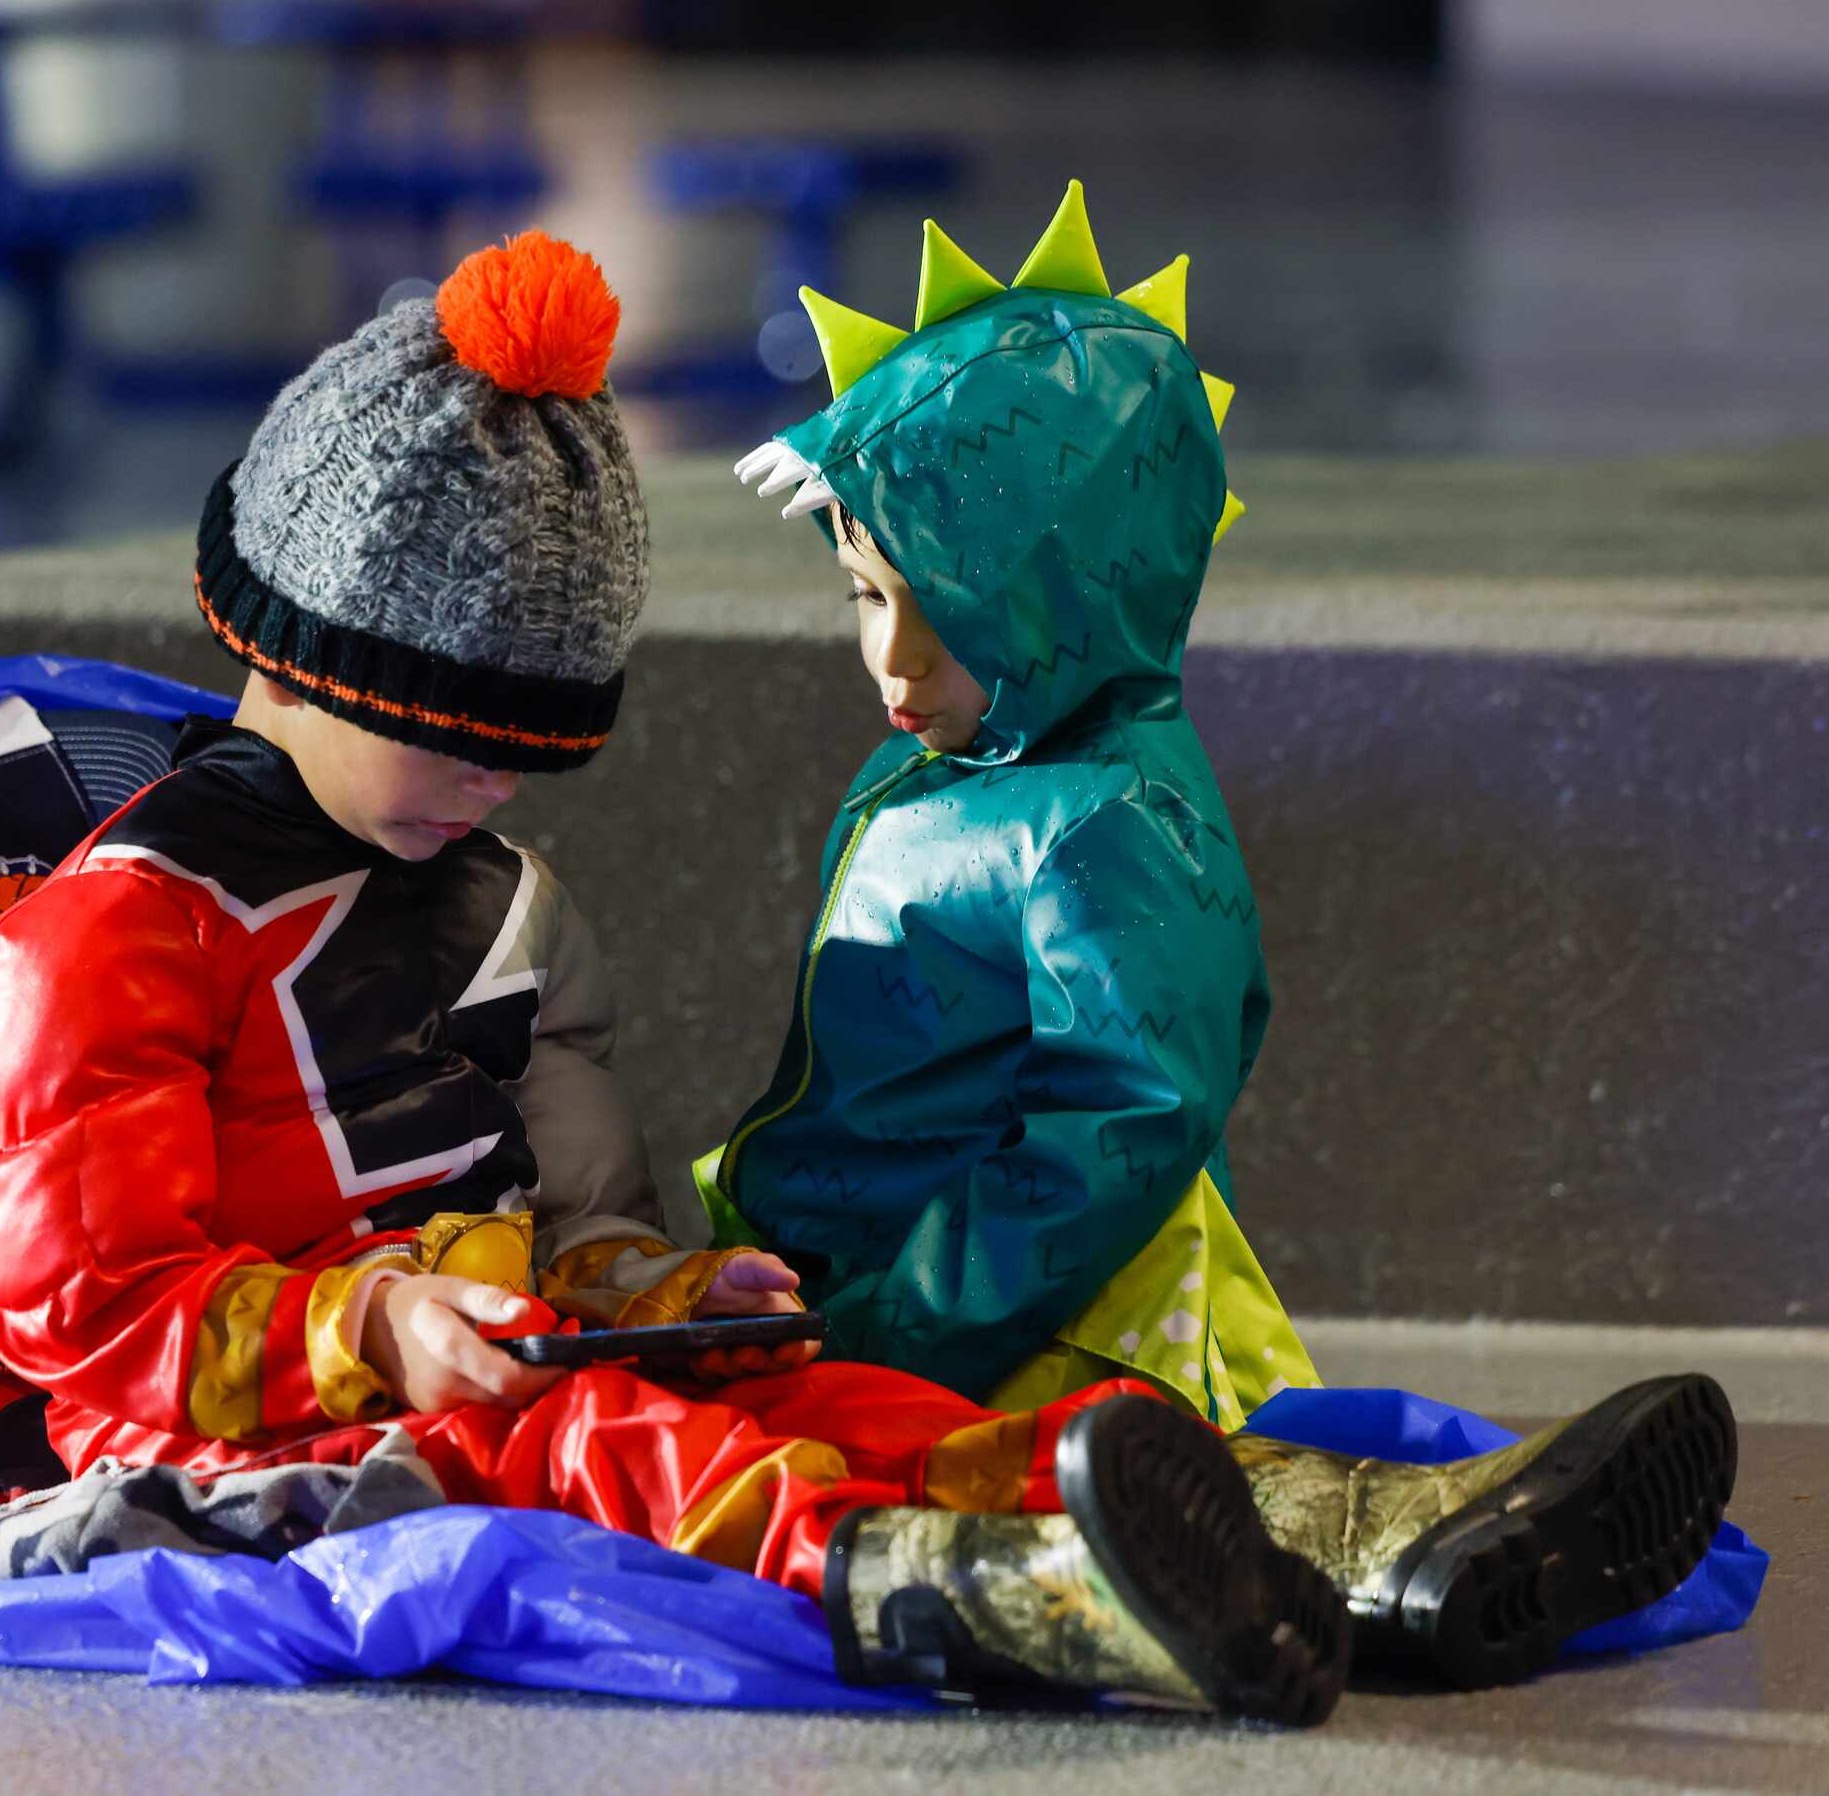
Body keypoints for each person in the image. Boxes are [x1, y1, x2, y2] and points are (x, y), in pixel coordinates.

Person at [0, 230, 1354, 1722]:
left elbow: (565, 1226)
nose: (493, 787)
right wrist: (371, 1327)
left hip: (504, 1362)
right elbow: (93, 1319)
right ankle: (968, 1590)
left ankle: (1171, 1519)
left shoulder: (503, 901)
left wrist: (672, 1287)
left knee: (802, 1388)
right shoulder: (97, 943)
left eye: (533, 752)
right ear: (320, 652)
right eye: (458, 733)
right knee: (601, 1446)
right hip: (244, 1436)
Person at [703, 183, 1737, 1685]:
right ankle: (1370, 1555)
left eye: (950, 617)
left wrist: (910, 1320)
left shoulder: (1110, 822)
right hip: (890, 1280)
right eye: (864, 592)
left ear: (1071, 603)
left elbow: (1119, 1116)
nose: (891, 658)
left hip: (1047, 1306)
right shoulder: (964, 769)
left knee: (1103, 1477)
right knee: (1009, 1476)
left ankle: (1418, 1539)